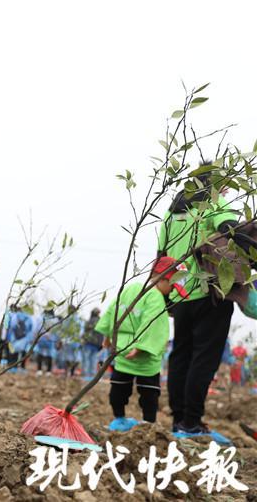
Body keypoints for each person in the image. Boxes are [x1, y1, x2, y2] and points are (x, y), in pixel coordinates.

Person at [159, 179, 239, 435]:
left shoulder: (170, 215)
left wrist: (167, 295)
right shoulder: (213, 202)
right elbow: (230, 228)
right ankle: (192, 422)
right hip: (210, 293)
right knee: (204, 359)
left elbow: (161, 257)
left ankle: (179, 421)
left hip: (180, 295)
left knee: (181, 355)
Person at [95, 257, 187, 432]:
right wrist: (142, 346)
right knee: (149, 392)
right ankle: (148, 423)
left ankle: (119, 418)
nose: (171, 291)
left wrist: (108, 335)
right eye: (173, 286)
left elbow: (113, 310)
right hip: (144, 356)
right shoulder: (156, 298)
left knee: (119, 388)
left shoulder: (131, 289)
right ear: (161, 277)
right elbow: (152, 323)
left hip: (122, 350)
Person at [80, 307, 104, 380]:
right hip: (96, 345)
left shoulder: (89, 321)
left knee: (86, 359)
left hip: (88, 343)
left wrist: (83, 340)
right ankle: (92, 375)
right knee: (93, 360)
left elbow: (85, 332)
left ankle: (85, 375)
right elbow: (102, 334)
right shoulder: (101, 321)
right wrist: (100, 345)